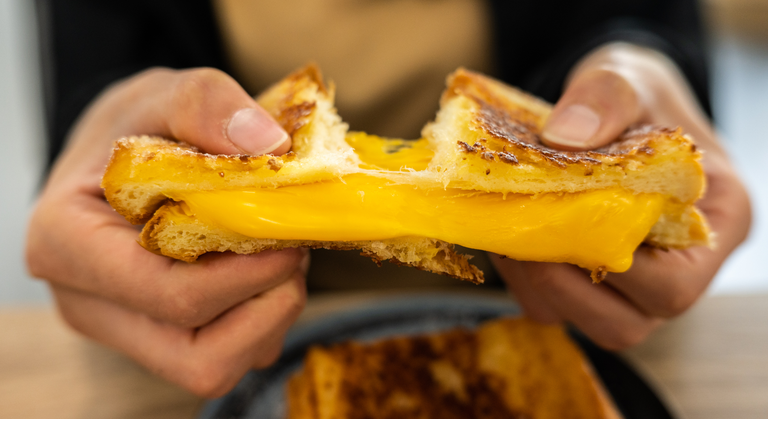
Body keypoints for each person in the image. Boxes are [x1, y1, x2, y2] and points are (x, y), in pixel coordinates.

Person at [26, 0, 750, 398]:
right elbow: (101, 70)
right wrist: (103, 120)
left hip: (556, 310)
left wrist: (641, 64)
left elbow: (640, 17)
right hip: (223, 331)